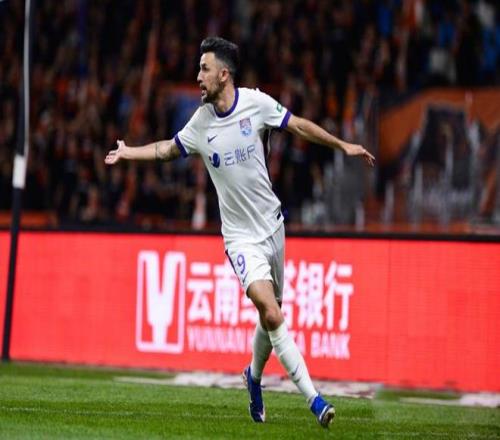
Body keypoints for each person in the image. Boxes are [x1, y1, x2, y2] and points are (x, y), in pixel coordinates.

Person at [105, 36, 375, 428]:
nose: (198, 76)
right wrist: (129, 152)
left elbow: (298, 126)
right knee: (271, 310)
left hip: (273, 227)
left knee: (270, 315)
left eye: (204, 69)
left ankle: (253, 376)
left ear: (224, 74)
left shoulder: (256, 103)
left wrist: (342, 145)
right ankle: (314, 400)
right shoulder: (201, 122)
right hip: (239, 239)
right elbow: (168, 149)